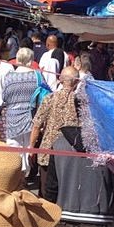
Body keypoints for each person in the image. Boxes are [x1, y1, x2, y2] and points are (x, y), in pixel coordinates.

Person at [30, 65, 80, 197]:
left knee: (46, 191)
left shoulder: (50, 98)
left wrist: (32, 147)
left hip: (48, 151)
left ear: (60, 80)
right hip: (70, 153)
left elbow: (36, 125)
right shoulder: (81, 102)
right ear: (77, 82)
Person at [1, 46, 39, 172]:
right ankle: (26, 173)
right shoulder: (37, 76)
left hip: (12, 115)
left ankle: (15, 172)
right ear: (31, 60)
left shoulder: (9, 77)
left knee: (13, 146)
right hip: (30, 115)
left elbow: (4, 97)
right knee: (28, 145)